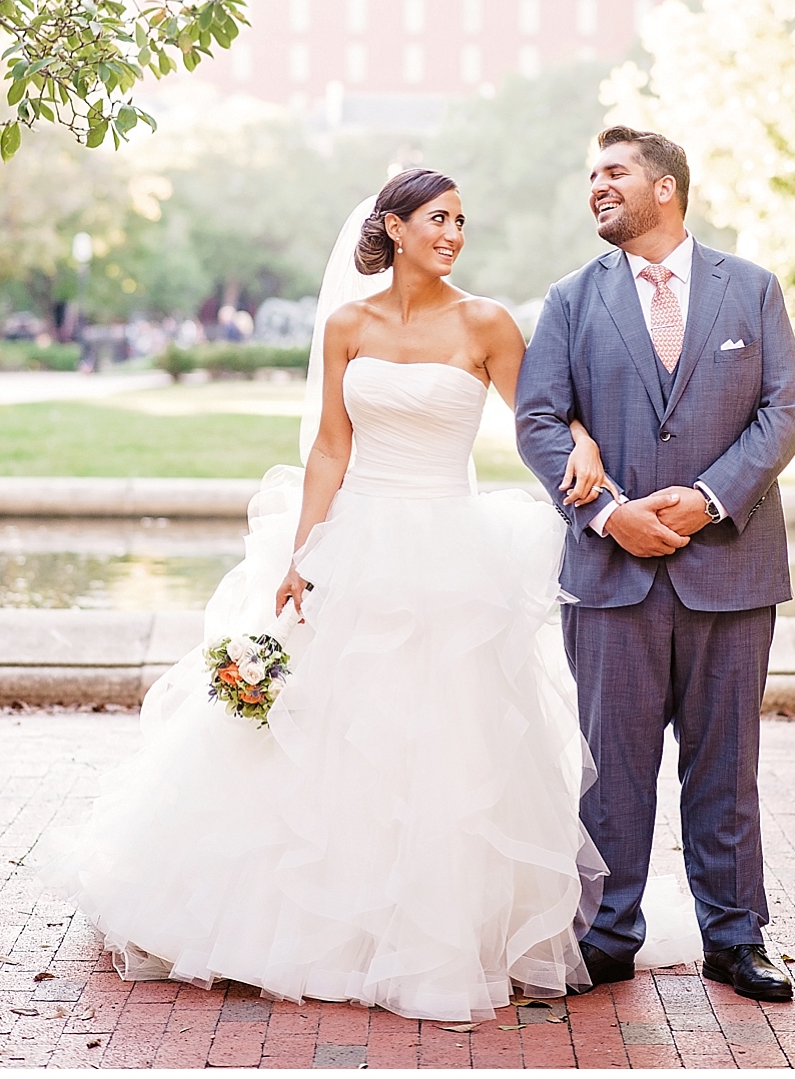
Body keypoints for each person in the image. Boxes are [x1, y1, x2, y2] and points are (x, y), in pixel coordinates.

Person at [43, 168, 700, 1024]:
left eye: (462, 219)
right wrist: (306, 550)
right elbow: (327, 448)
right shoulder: (348, 325)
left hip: (451, 553)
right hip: (358, 544)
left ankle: (441, 930)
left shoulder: (486, 322)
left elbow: (539, 412)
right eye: (437, 218)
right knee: (332, 739)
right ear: (392, 228)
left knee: (447, 744)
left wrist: (579, 439)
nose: (454, 233)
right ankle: (316, 925)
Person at [516, 126, 795, 1004]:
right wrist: (610, 514)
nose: (596, 187)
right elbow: (538, 420)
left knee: (727, 764)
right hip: (613, 579)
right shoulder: (570, 299)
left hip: (733, 568)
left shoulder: (752, 290)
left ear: (666, 188)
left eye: (614, 173)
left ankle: (735, 938)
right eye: (591, 175)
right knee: (612, 763)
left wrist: (707, 499)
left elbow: (783, 410)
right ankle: (606, 935)